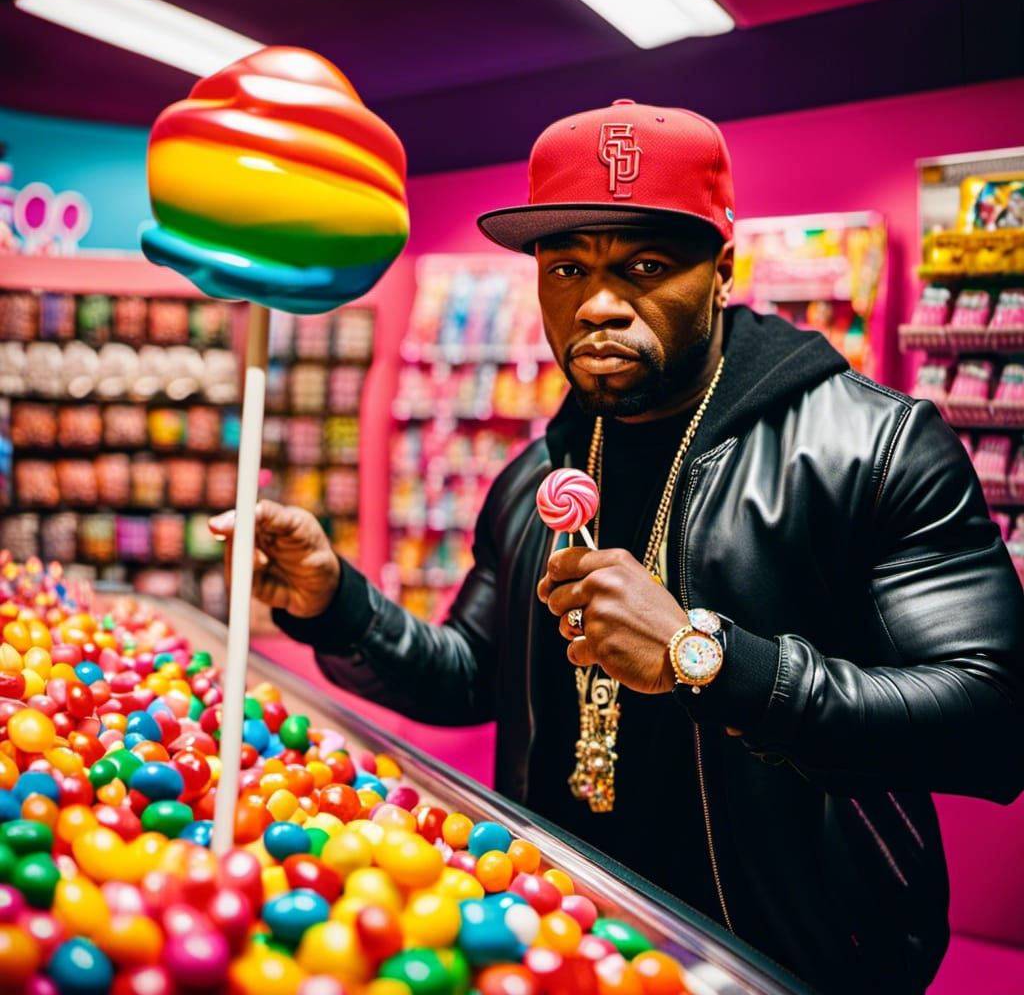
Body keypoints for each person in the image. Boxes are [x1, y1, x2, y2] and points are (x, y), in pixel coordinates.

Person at [209, 100, 1024, 994]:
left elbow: (991, 722)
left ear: (722, 269)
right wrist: (336, 602)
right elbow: (471, 674)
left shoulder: (872, 449)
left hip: (787, 962)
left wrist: (703, 660)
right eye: (567, 268)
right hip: (566, 940)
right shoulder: (540, 473)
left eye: (645, 265)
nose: (597, 304)